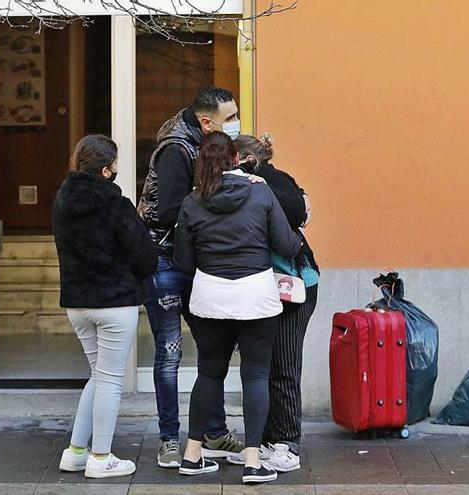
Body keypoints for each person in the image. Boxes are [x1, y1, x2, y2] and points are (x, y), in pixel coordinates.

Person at [173, 132, 301, 484]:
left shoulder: (192, 200)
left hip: (209, 296)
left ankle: (192, 455)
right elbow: (288, 246)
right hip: (255, 294)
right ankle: (252, 461)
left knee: (209, 373)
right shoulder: (260, 192)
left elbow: (183, 260)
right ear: (236, 158)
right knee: (256, 374)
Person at [137, 86, 244, 468]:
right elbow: (166, 211)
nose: (235, 124)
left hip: (194, 261)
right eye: (230, 118)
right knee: (169, 353)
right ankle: (169, 439)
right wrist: (210, 201)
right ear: (205, 120)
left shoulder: (197, 141)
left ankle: (214, 432)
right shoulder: (176, 150)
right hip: (165, 262)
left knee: (211, 349)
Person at [52, 135, 157, 479]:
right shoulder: (116, 204)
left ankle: (76, 451)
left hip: (77, 303)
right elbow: (144, 257)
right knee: (110, 381)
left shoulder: (62, 200)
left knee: (97, 376)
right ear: (107, 169)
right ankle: (101, 456)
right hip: (115, 303)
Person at [228, 133, 320, 473]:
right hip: (266, 287)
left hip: (293, 287)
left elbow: (296, 216)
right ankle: (266, 442)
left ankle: (287, 443)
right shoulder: (257, 183)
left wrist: (259, 184)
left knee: (283, 364)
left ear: (245, 160)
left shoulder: (274, 182)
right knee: (261, 368)